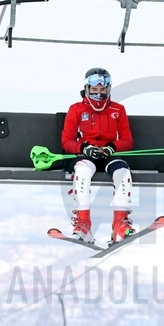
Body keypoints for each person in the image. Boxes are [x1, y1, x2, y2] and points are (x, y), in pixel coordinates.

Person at [61, 67, 135, 245]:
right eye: (94, 90)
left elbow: (128, 141)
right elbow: (66, 141)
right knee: (82, 173)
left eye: (102, 90)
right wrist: (84, 147)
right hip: (88, 155)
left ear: (108, 89)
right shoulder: (76, 110)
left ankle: (119, 223)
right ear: (87, 89)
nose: (99, 94)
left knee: (122, 173)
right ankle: (83, 223)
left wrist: (113, 146)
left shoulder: (118, 109)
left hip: (110, 154)